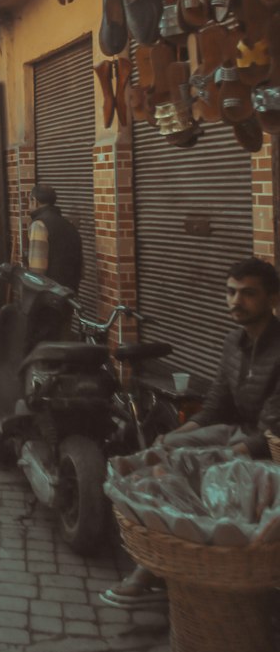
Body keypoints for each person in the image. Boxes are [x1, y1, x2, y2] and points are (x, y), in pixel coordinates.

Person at [101, 256, 280, 608]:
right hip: (233, 430)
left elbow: (273, 431)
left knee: (191, 468)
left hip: (266, 446)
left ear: (273, 299)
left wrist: (224, 453)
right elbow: (215, 407)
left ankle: (151, 571)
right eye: (230, 292)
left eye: (248, 294)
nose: (235, 302)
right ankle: (160, 560)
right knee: (160, 452)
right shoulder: (234, 342)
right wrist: (175, 438)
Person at [26, 183, 84, 294]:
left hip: (50, 297)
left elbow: (37, 271)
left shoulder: (39, 225)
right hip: (70, 294)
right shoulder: (69, 225)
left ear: (34, 201)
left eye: (29, 201)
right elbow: (81, 270)